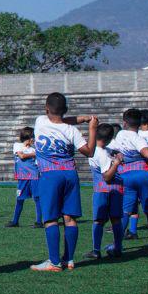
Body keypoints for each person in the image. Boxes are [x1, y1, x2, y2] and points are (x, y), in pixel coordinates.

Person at [30, 93, 97, 272]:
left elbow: (58, 118)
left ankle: (54, 262)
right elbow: (89, 152)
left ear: (46, 108)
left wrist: (78, 119)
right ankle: (69, 259)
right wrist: (91, 128)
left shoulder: (40, 121)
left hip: (50, 175)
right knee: (70, 218)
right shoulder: (72, 131)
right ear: (65, 110)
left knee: (51, 218)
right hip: (70, 174)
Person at [112, 108, 148, 251]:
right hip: (143, 174)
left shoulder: (121, 134)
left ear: (124, 122)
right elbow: (147, 153)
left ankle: (117, 245)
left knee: (125, 211)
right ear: (140, 123)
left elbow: (114, 147)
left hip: (126, 175)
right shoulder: (138, 137)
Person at [85, 123, 124, 259]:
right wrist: (116, 164)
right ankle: (118, 248)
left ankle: (96, 250)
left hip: (101, 190)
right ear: (109, 138)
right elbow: (107, 176)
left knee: (99, 220)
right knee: (115, 220)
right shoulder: (102, 153)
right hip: (112, 189)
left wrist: (115, 154)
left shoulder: (95, 149)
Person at [6, 126, 42, 228]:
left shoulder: (33, 149)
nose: (34, 140)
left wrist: (34, 153)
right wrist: (33, 154)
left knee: (37, 198)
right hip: (22, 177)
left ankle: (39, 222)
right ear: (29, 137)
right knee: (19, 199)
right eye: (33, 137)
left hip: (34, 176)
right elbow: (21, 156)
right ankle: (15, 221)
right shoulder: (17, 145)